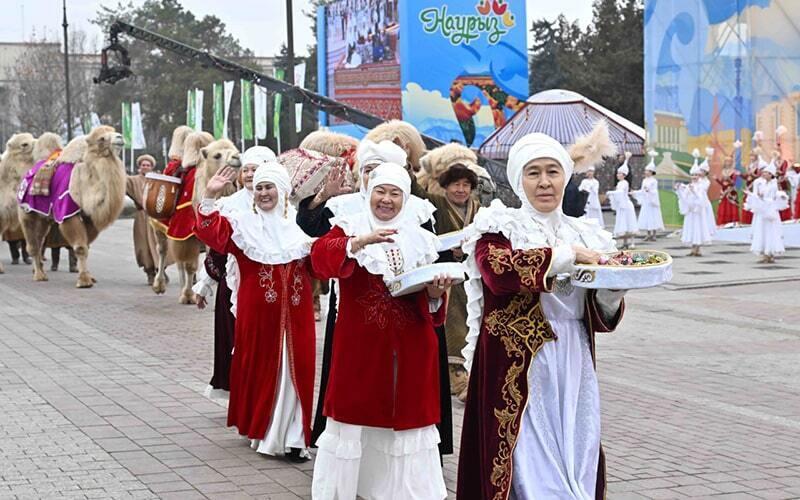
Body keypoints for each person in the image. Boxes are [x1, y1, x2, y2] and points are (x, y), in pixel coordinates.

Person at [456, 132, 626, 500]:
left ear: (566, 177)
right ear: (519, 180)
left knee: (577, 449)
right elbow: (498, 272)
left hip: (573, 356)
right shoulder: (500, 226)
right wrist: (565, 255)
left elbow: (596, 309)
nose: (545, 182)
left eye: (553, 171)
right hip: (518, 365)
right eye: (533, 173)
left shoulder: (585, 232)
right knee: (530, 458)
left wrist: (613, 289)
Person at [310, 163, 449, 500]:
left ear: (406, 197)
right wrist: (357, 243)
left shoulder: (422, 239)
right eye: (380, 192)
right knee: (354, 415)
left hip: (412, 348)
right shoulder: (348, 227)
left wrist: (435, 293)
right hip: (359, 347)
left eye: (395, 193)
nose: (386, 200)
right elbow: (319, 261)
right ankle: (349, 489)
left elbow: (432, 306)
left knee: (407, 420)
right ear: (368, 194)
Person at [296, 138, 435, 446]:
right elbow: (317, 247)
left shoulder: (420, 217)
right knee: (356, 390)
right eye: (370, 172)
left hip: (410, 332)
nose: (383, 193)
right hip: (354, 318)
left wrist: (437, 289)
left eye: (390, 183)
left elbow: (434, 270)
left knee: (406, 400)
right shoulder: (347, 213)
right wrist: (356, 241)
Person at [194, 162, 316, 462]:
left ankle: (294, 438)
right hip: (258, 319)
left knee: (294, 374)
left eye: (269, 187)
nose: (263, 193)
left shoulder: (297, 232)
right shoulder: (241, 226)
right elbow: (211, 233)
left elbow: (321, 263)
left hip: (297, 322)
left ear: (283, 191)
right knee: (264, 372)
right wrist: (209, 198)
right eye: (259, 187)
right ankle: (266, 433)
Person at [193, 146, 276, 400]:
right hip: (234, 284)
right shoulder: (228, 204)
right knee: (235, 341)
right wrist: (203, 285)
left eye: (256, 169)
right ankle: (240, 397)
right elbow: (216, 248)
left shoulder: (283, 207)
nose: (250, 175)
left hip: (270, 289)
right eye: (247, 170)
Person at [425, 163, 481, 403]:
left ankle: (469, 374)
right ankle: (458, 379)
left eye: (466, 185)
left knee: (473, 323)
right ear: (445, 186)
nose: (461, 189)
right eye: (456, 184)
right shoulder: (436, 205)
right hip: (446, 275)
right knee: (453, 325)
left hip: (474, 276)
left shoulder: (480, 210)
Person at [126, 154, 162, 284]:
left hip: (157, 217)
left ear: (152, 167)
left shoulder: (158, 180)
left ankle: (160, 270)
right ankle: (150, 272)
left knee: (159, 244)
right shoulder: (133, 180)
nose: (145, 167)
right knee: (143, 245)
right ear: (139, 167)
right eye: (143, 165)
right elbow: (121, 183)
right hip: (141, 217)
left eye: (148, 165)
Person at [746, 158, 787, 263]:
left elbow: (776, 194)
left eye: (766, 172)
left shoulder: (774, 183)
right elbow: (759, 195)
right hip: (762, 209)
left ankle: (770, 253)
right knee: (762, 230)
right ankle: (765, 253)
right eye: (763, 172)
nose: (764, 174)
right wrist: (756, 197)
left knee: (771, 230)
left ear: (771, 174)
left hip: (770, 209)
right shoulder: (761, 183)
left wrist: (781, 196)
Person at [676, 161, 715, 256]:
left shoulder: (701, 186)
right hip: (691, 211)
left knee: (698, 227)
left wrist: (694, 192)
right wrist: (679, 190)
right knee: (691, 228)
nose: (694, 177)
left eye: (696, 175)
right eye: (692, 175)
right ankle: (692, 248)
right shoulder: (689, 186)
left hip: (698, 212)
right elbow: (684, 198)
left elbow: (701, 198)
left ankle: (698, 249)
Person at [606, 152, 638, 249]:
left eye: (620, 173)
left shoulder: (624, 183)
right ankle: (625, 242)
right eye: (617, 173)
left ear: (624, 175)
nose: (618, 175)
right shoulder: (619, 183)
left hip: (626, 205)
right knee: (624, 224)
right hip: (622, 206)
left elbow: (620, 193)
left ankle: (632, 242)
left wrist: (611, 193)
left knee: (629, 222)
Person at [633, 151, 665, 241]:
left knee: (653, 216)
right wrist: (635, 192)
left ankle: (654, 234)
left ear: (652, 172)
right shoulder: (644, 180)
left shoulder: (654, 181)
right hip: (646, 201)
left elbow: (655, 191)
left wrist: (649, 191)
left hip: (652, 201)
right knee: (647, 216)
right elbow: (642, 190)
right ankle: (648, 233)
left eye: (648, 171)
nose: (646, 172)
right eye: (646, 171)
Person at [715, 154, 740, 225]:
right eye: (726, 161)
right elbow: (722, 183)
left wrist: (728, 179)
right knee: (723, 206)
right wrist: (717, 180)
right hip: (723, 191)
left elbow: (733, 183)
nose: (727, 163)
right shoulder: (723, 171)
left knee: (731, 206)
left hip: (731, 192)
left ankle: (733, 222)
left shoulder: (734, 171)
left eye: (729, 161)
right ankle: (723, 222)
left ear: (731, 162)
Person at [740, 149, 760, 224]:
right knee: (748, 201)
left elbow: (759, 176)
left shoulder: (759, 165)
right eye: (750, 156)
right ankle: (747, 220)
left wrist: (752, 174)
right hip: (748, 185)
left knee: (755, 200)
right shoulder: (749, 165)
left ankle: (756, 219)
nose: (751, 157)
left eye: (753, 156)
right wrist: (740, 174)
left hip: (755, 185)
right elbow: (746, 177)